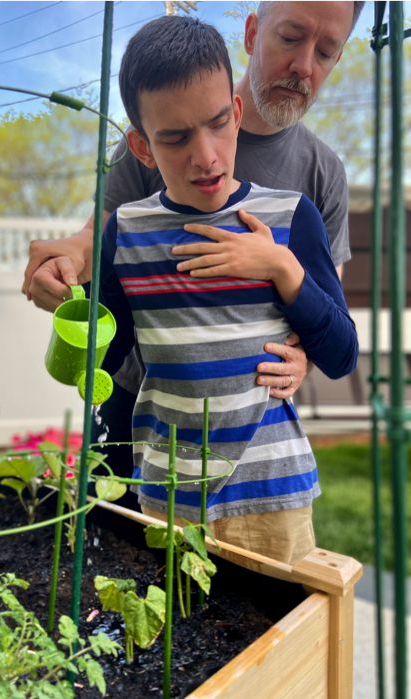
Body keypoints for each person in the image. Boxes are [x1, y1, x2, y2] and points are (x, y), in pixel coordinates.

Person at [23, 1, 364, 511]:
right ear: (252, 33)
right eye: (291, 38)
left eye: (327, 51)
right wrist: (67, 270)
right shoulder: (153, 127)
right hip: (145, 418)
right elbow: (104, 237)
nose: (304, 66)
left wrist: (305, 355)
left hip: (255, 447)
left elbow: (326, 317)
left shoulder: (320, 179)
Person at [96, 14, 358, 565]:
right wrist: (73, 319)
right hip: (168, 495)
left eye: (218, 124)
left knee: (280, 638)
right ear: (143, 148)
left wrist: (283, 268)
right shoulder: (125, 233)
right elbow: (105, 357)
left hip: (272, 494)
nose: (206, 156)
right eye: (176, 138)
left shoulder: (292, 216)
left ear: (236, 113)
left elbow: (341, 355)